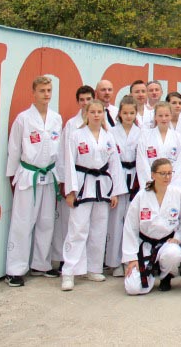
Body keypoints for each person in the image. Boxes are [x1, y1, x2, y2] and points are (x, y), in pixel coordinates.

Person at [61, 100, 126, 290]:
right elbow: (69, 164)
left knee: (99, 228)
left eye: (100, 112)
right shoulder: (76, 135)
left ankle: (93, 268)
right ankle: (69, 272)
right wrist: (71, 191)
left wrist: (115, 192)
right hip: (82, 185)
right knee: (77, 228)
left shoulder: (108, 137)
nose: (97, 115)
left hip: (102, 186)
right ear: (86, 114)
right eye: (93, 112)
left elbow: (115, 165)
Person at [5, 75, 63, 286]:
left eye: (49, 91)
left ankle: (41, 264)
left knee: (47, 222)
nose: (46, 94)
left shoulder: (56, 118)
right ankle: (15, 269)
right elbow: (14, 148)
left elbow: (60, 151)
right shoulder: (23, 119)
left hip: (50, 175)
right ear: (34, 93)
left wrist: (61, 177)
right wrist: (12, 176)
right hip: (29, 176)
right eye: (42, 91)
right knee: (22, 223)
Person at [122, 158, 181, 294]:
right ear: (153, 174)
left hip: (167, 242)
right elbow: (130, 227)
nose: (167, 177)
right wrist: (132, 258)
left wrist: (178, 237)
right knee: (133, 288)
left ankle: (166, 276)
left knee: (173, 254)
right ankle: (150, 270)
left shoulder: (178, 194)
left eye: (169, 173)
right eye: (162, 173)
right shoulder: (142, 196)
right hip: (145, 245)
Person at [52, 85, 95, 269]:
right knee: (70, 223)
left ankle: (88, 264)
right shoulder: (71, 124)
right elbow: (63, 154)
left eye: (88, 99)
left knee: (89, 225)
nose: (85, 103)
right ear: (78, 102)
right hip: (73, 178)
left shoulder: (99, 123)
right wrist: (64, 182)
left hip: (94, 181)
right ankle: (65, 260)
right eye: (82, 100)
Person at [105, 96, 142, 277]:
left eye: (131, 113)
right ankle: (113, 262)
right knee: (115, 222)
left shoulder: (141, 132)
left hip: (135, 176)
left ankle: (130, 259)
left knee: (132, 221)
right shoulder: (111, 132)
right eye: (125, 113)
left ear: (136, 114)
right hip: (117, 175)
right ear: (119, 113)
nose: (128, 116)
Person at [136, 101, 181, 192]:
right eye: (160, 115)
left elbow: (179, 166)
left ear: (171, 116)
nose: (164, 119)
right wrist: (150, 185)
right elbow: (142, 164)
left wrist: (173, 188)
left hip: (171, 185)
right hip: (151, 184)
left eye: (167, 115)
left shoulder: (178, 138)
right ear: (155, 117)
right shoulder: (145, 137)